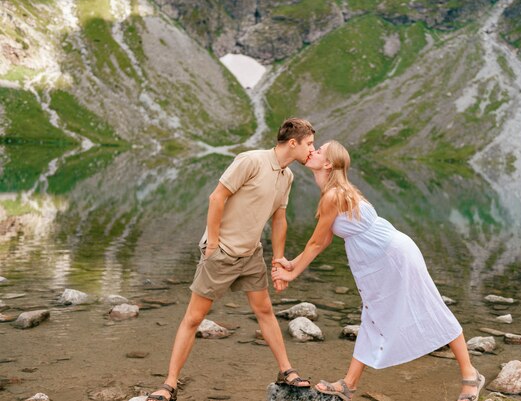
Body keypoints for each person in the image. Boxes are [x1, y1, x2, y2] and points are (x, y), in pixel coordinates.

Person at [271, 140, 485, 401]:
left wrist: (292, 274)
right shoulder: (336, 191)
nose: (313, 151)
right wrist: (293, 263)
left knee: (431, 308)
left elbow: (316, 242)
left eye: (319, 150)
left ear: (328, 163)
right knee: (373, 317)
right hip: (380, 258)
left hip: (392, 257)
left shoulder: (333, 195)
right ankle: (349, 384)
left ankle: (470, 375)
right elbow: (324, 239)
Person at [147, 118, 316, 401]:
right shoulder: (251, 161)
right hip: (222, 252)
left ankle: (286, 370)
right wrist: (212, 245)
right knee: (194, 317)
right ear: (292, 143)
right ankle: (169, 385)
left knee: (264, 310)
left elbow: (279, 219)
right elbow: (217, 197)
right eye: (309, 144)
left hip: (251, 254)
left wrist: (277, 259)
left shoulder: (287, 176)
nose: (313, 149)